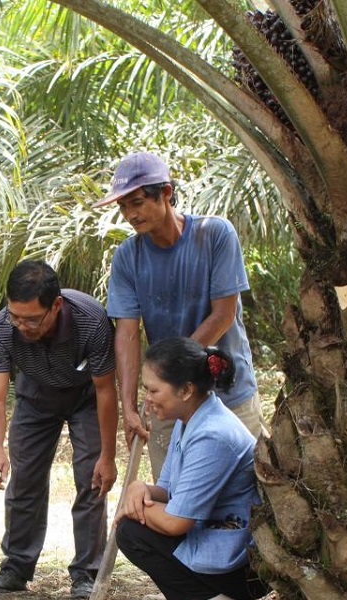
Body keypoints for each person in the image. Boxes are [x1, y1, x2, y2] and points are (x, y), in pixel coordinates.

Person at [97, 152, 265, 480]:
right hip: (170, 401)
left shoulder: (215, 235)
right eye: (123, 207)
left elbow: (223, 315)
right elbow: (127, 334)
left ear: (167, 193)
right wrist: (129, 407)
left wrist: (170, 370)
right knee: (172, 494)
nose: (130, 214)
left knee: (246, 494)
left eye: (138, 202)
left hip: (228, 390)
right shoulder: (128, 258)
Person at [0, 260, 118, 599]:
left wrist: (109, 457)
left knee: (91, 477)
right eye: (15, 316)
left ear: (56, 306)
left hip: (86, 397)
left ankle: (87, 572)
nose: (22, 325)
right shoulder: (0, 328)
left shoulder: (90, 319)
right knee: (24, 478)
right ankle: (16, 567)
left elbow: (105, 391)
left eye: (32, 319)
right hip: (35, 394)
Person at [115, 338, 268, 600]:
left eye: (153, 389)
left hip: (242, 566)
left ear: (186, 390)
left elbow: (176, 523)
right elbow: (169, 488)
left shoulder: (213, 434)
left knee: (132, 531)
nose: (146, 398)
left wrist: (137, 510)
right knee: (133, 528)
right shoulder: (190, 419)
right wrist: (140, 489)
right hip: (218, 542)